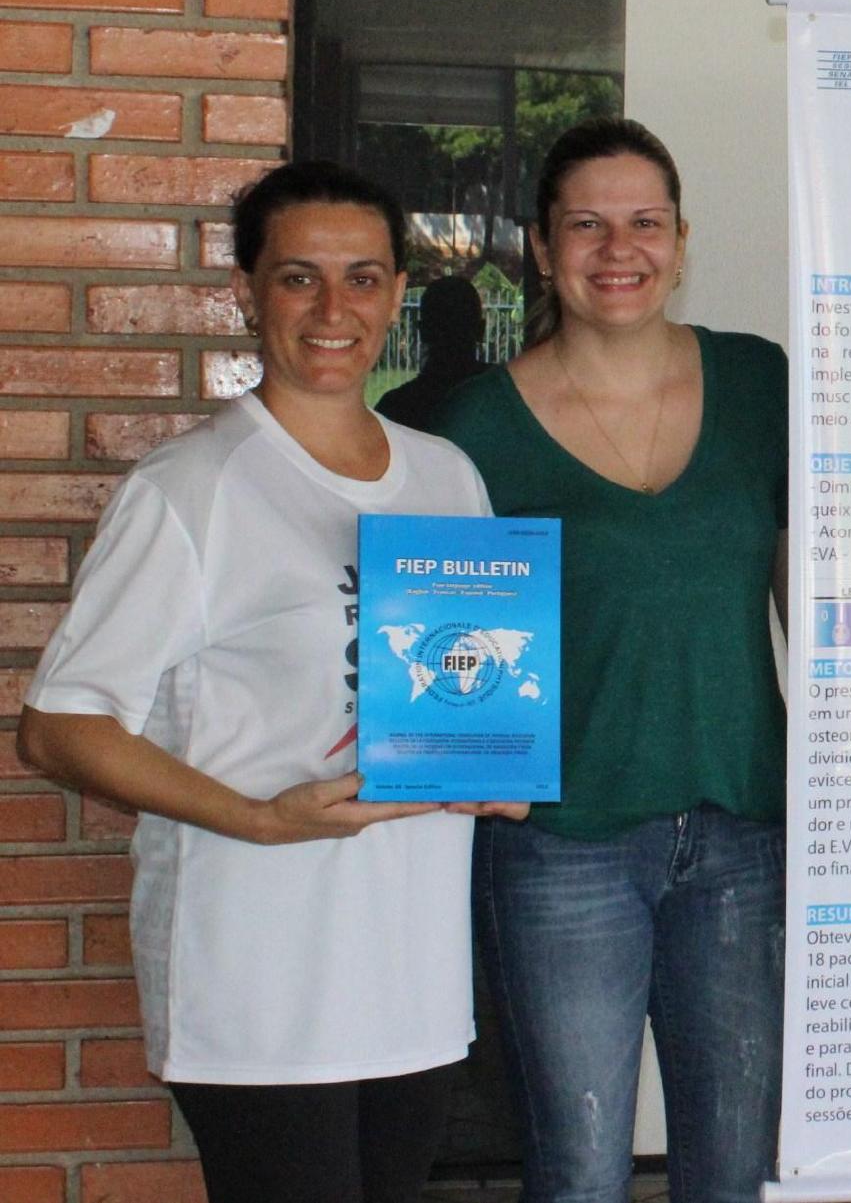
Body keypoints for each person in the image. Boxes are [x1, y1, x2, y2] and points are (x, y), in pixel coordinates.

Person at [15, 160, 523, 1203]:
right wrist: (259, 818)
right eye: (299, 277)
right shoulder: (190, 488)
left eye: (363, 277)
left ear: (398, 291)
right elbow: (60, 726)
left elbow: (464, 682)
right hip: (259, 980)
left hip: (413, 978)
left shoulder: (447, 476)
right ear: (247, 291)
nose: (334, 309)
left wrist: (497, 763)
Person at [399, 118, 788, 1203]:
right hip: (561, 844)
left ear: (681, 239)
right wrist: (453, 758)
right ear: (542, 245)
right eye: (586, 225)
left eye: (645, 222)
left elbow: (808, 601)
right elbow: (441, 644)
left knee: (734, 1168)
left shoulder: (760, 383)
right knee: (576, 1170)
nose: (619, 250)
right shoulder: (475, 425)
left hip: (742, 829)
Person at [376, 274, 491, 426]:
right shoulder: (506, 395)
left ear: (423, 331)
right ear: (480, 330)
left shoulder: (395, 409)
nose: (451, 334)